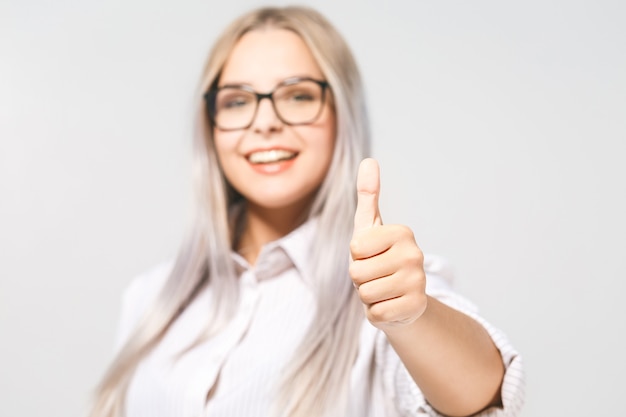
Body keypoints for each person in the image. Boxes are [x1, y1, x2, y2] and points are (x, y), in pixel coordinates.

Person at [90, 5, 524, 417]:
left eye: (297, 96)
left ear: (343, 116)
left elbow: (479, 394)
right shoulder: (150, 297)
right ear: (211, 127)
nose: (265, 122)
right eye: (237, 101)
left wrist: (414, 316)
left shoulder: (385, 285)